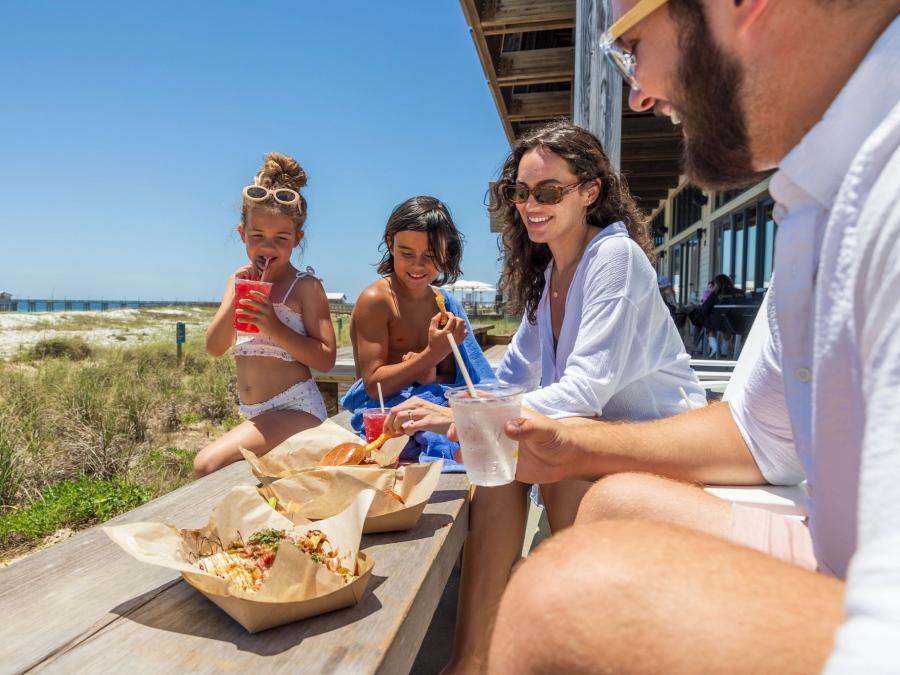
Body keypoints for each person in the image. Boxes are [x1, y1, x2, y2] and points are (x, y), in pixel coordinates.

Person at [486, 1, 900, 673]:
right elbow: (760, 434)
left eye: (632, 46)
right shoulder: (820, 194)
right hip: (834, 552)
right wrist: (575, 443)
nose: (639, 95)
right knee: (607, 504)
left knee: (554, 601)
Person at [386, 121, 706, 673]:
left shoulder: (614, 257)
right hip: (599, 437)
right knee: (500, 462)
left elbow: (586, 388)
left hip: (661, 446)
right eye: (521, 192)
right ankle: (473, 659)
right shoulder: (552, 273)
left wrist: (458, 417)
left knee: (541, 456)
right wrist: (453, 407)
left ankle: (575, 645)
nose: (531, 205)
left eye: (549, 192)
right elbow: (512, 377)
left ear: (590, 191)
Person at [194, 153, 336, 476]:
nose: (268, 247)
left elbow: (326, 358)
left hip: (297, 408)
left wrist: (273, 326)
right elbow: (214, 347)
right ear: (242, 233)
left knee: (206, 465)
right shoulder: (237, 280)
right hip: (257, 415)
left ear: (297, 239)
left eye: (281, 239)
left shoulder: (305, 287)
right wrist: (237, 294)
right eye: (257, 236)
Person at [342, 196, 495, 463]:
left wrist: (429, 373)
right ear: (390, 243)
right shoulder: (377, 301)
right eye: (407, 254)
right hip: (388, 416)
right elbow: (373, 386)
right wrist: (430, 355)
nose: (417, 265)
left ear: (447, 252)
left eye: (430, 256)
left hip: (431, 407)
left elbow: (455, 377)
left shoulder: (443, 304)